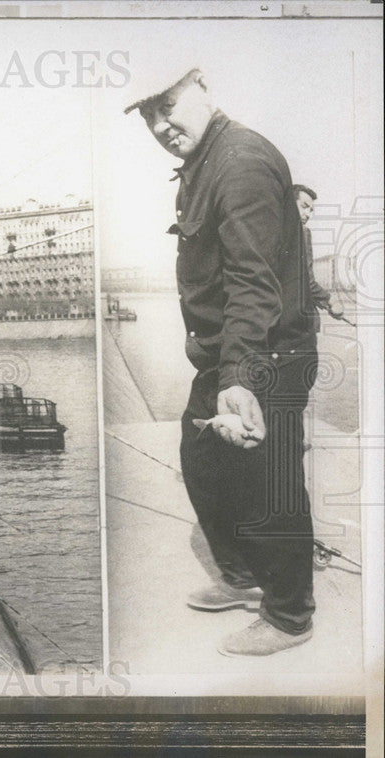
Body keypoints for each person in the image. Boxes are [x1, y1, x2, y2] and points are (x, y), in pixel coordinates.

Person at [126, 65, 318, 656]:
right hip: (230, 352)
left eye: (167, 103)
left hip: (265, 352)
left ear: (202, 85)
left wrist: (239, 380)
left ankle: (289, 616)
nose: (159, 123)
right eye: (146, 113)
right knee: (204, 458)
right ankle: (245, 577)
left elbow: (253, 283)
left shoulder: (237, 163)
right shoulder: (212, 160)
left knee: (268, 479)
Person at [293, 184, 347, 330]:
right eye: (304, 206)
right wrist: (330, 300)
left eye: (311, 210)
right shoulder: (302, 232)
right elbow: (307, 281)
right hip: (299, 323)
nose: (308, 214)